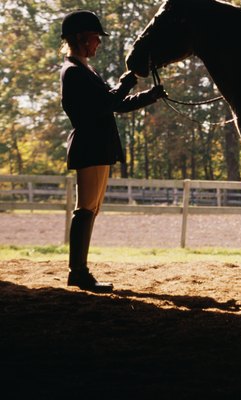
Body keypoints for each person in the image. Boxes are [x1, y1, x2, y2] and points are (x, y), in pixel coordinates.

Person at [60, 10, 166, 292]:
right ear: (81, 39)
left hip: (98, 146)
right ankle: (78, 272)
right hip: (91, 145)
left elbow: (114, 104)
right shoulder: (73, 72)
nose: (98, 43)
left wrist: (149, 96)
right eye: (95, 38)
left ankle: (79, 271)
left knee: (91, 209)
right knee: (86, 209)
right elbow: (106, 104)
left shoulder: (84, 70)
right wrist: (127, 81)